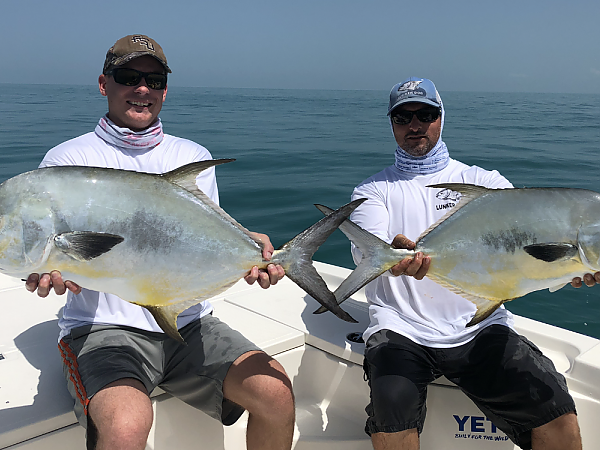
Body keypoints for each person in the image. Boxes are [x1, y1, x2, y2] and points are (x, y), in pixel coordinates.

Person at [25, 35, 294, 450]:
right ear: (104, 83)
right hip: (105, 330)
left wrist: (247, 251)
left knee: (276, 393)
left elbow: (204, 241)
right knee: (127, 426)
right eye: (128, 76)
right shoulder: (66, 162)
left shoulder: (191, 157)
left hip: (188, 322)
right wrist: (43, 271)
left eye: (155, 79)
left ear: (165, 89)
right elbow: (47, 250)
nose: (142, 89)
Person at [350, 77, 598, 450]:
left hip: (481, 326)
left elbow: (523, 253)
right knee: (392, 410)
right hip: (401, 330)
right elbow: (371, 249)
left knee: (556, 412)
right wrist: (396, 251)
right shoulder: (374, 190)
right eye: (403, 117)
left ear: (441, 117)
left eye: (425, 114)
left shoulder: (485, 182)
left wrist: (568, 271)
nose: (415, 124)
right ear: (392, 124)